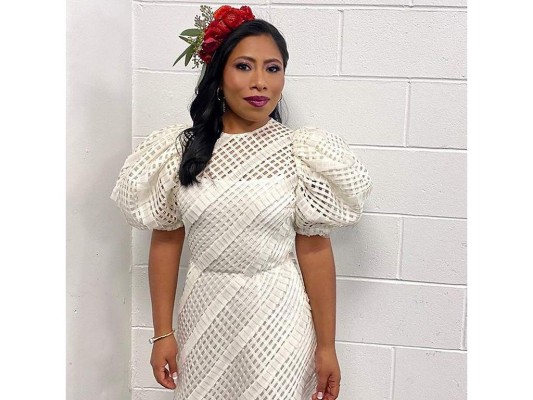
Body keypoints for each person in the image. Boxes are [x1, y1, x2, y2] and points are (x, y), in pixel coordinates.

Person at [110, 4, 373, 400]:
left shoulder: (300, 153)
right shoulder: (179, 152)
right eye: (244, 66)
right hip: (204, 318)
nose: (260, 82)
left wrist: (326, 346)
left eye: (273, 68)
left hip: (280, 323)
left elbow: (315, 249)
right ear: (219, 76)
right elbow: (166, 240)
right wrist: (162, 333)